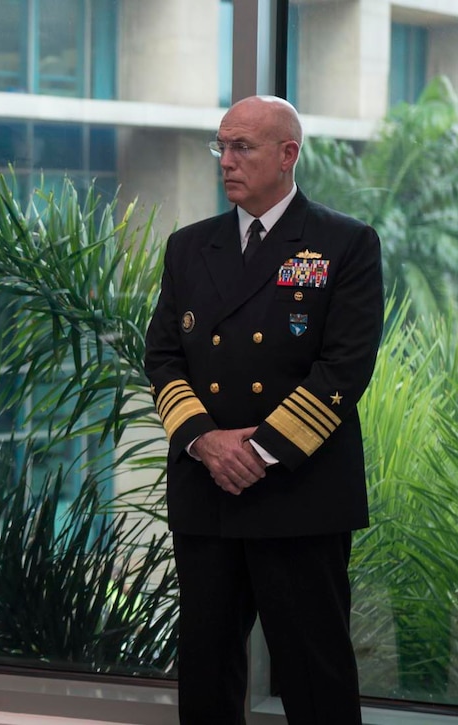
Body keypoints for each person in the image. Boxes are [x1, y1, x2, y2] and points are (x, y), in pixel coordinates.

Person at [143, 95, 383, 723]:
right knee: (205, 671)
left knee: (315, 675)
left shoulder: (345, 243)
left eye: (241, 147)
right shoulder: (189, 247)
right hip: (208, 489)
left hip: (298, 493)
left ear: (287, 154)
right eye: (220, 147)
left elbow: (344, 367)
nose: (226, 161)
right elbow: (163, 359)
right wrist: (205, 442)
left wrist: (258, 450)